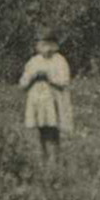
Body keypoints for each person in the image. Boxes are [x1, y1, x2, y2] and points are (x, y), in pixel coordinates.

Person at [20, 30, 73, 163]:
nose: (47, 49)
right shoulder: (33, 62)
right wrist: (33, 78)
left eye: (50, 45)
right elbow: (23, 83)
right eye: (43, 45)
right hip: (38, 102)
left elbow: (64, 81)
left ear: (55, 46)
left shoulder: (59, 61)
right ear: (37, 46)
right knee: (42, 130)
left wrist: (49, 78)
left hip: (52, 102)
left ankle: (55, 159)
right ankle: (43, 158)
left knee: (53, 130)